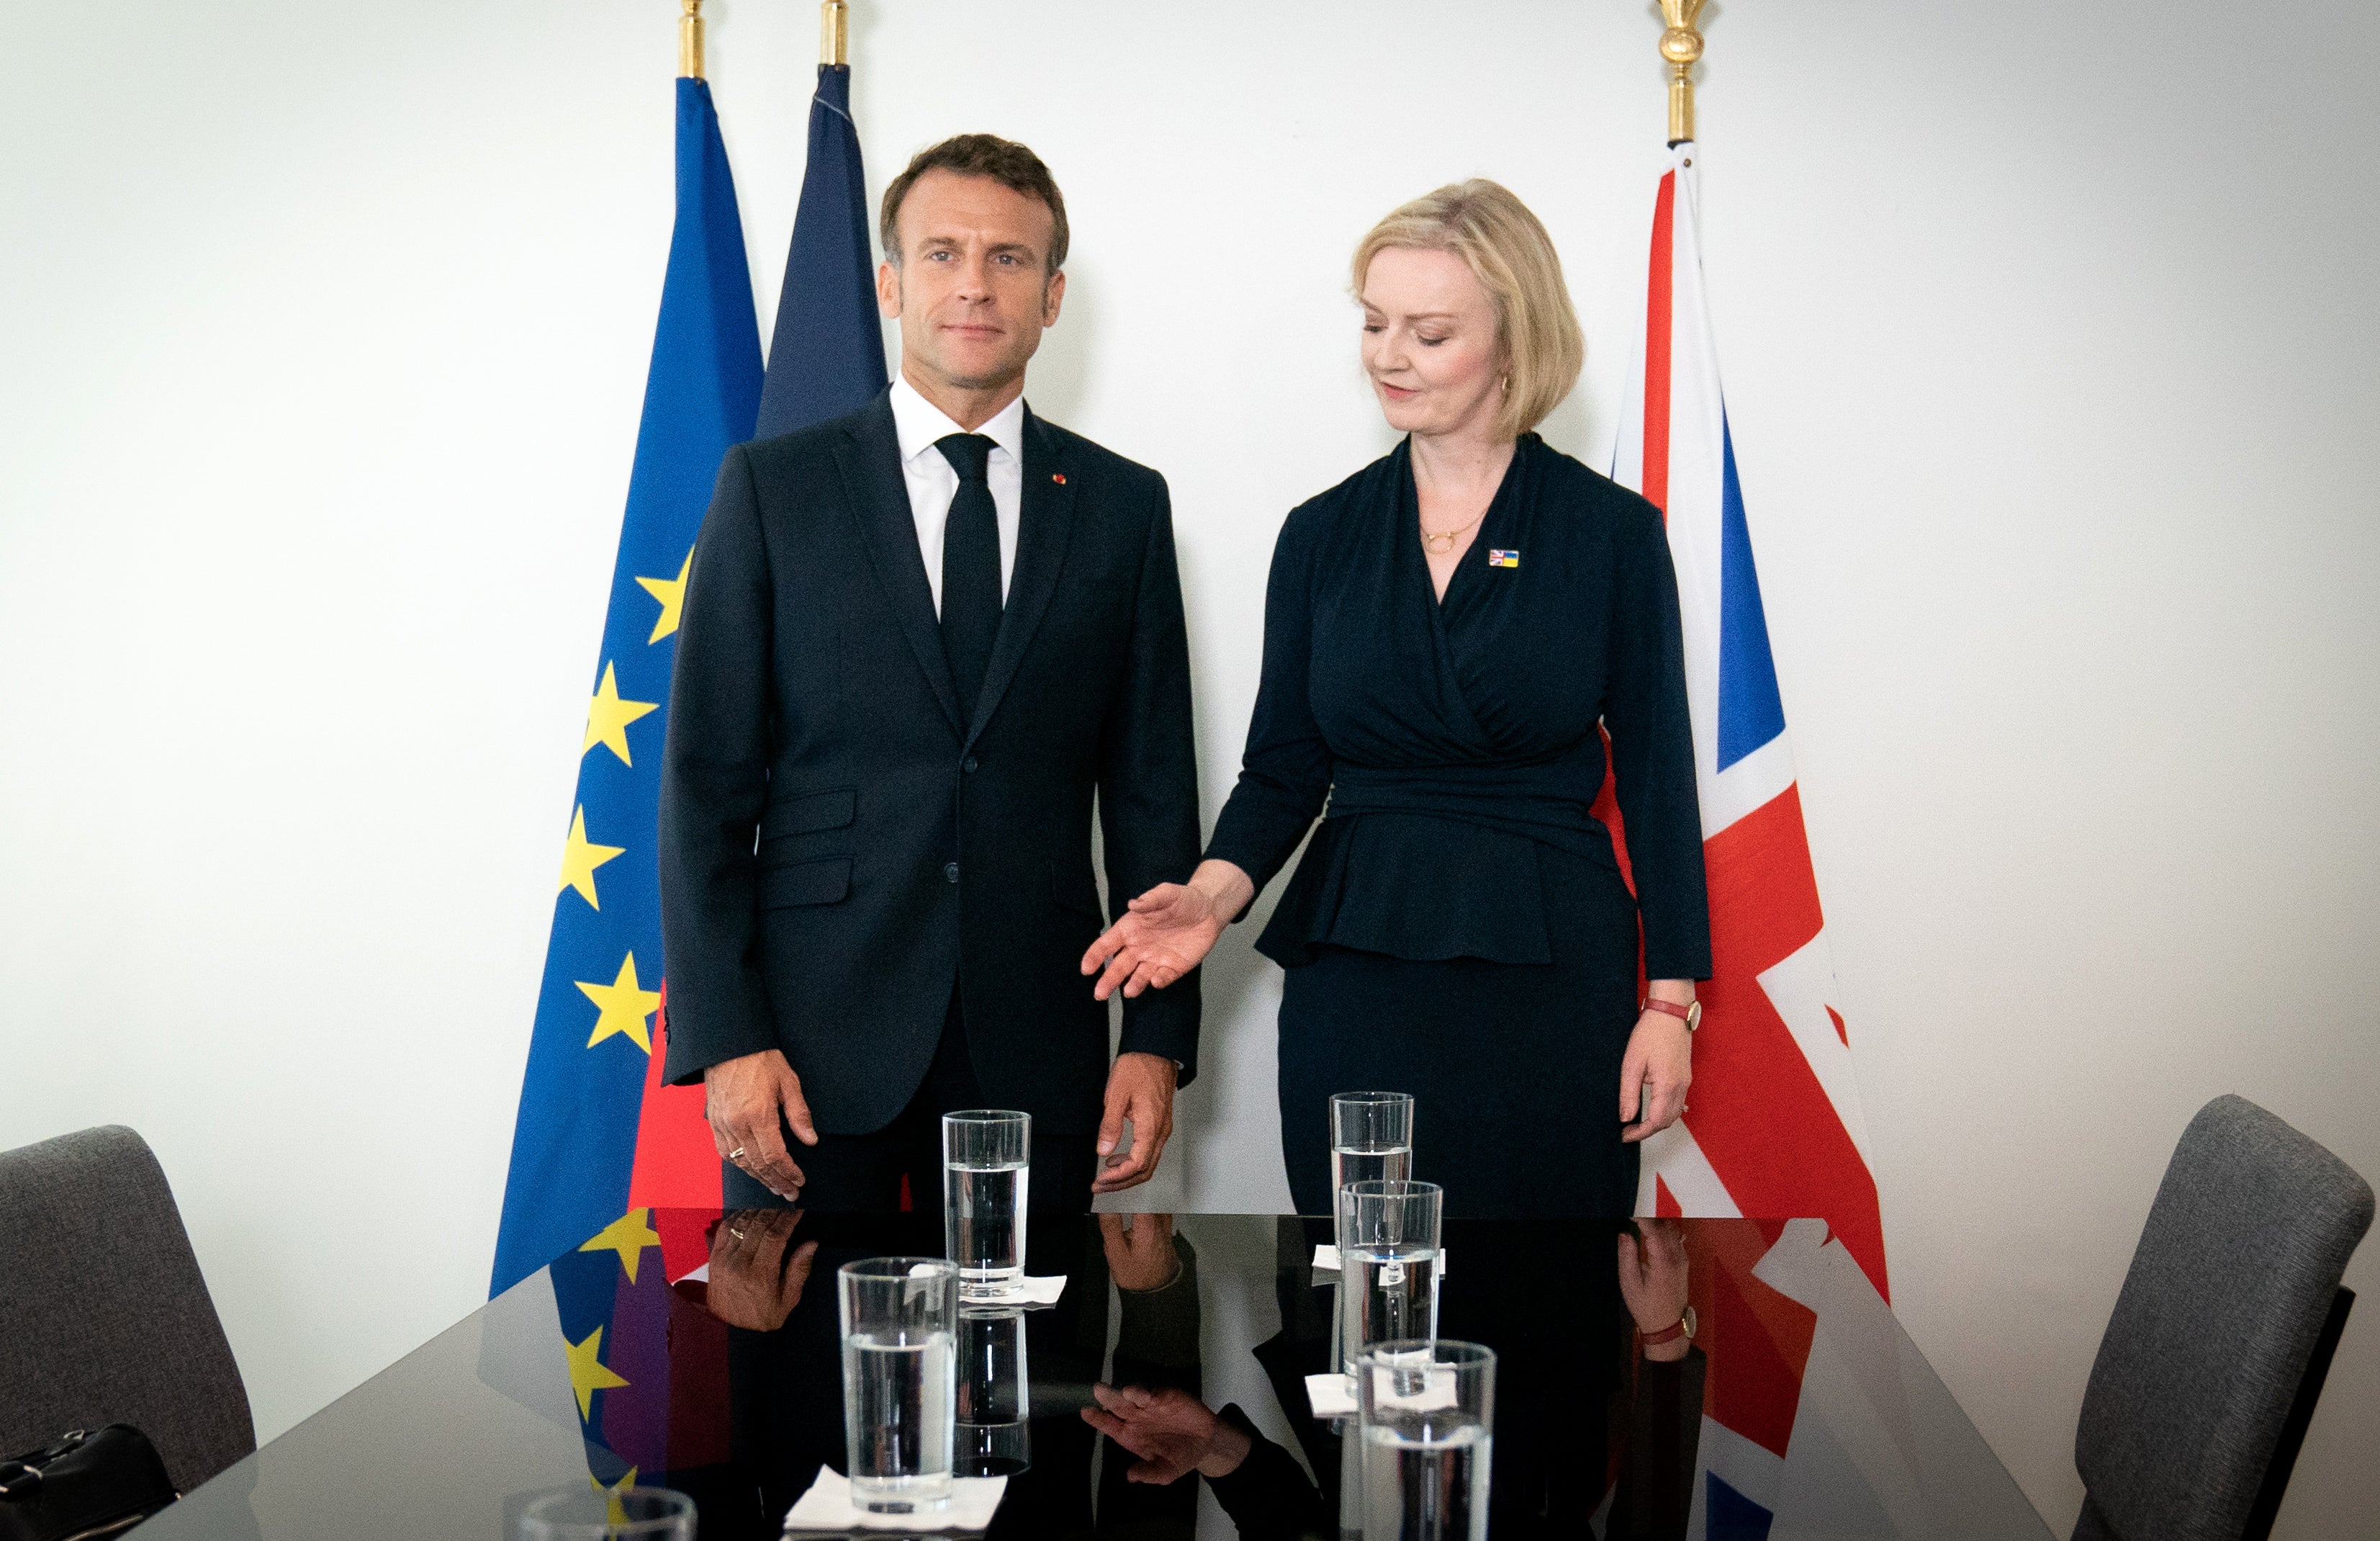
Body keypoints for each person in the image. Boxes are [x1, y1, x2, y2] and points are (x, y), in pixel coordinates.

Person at [1083, 180, 1710, 1218]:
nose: (1386, 355)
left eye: (1427, 332)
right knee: (1357, 1300)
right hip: (1357, 962)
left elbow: (1654, 777)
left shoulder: (1610, 536)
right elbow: (1283, 769)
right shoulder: (1321, 534)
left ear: (1513, 344)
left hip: (1548, 965)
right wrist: (1208, 896)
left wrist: (1671, 1004)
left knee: (1543, 1301)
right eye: (1373, 323)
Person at [660, 134, 1202, 1212]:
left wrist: (1155, 1041)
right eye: (943, 251)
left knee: (1033, 1376)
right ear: (889, 283)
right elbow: (706, 785)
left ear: (1051, 298)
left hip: (1040, 1047)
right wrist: (727, 1039)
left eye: (1008, 259)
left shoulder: (1121, 507)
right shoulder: (774, 490)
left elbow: (1150, 795)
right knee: (803, 1371)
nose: (973, 282)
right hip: (806, 1058)